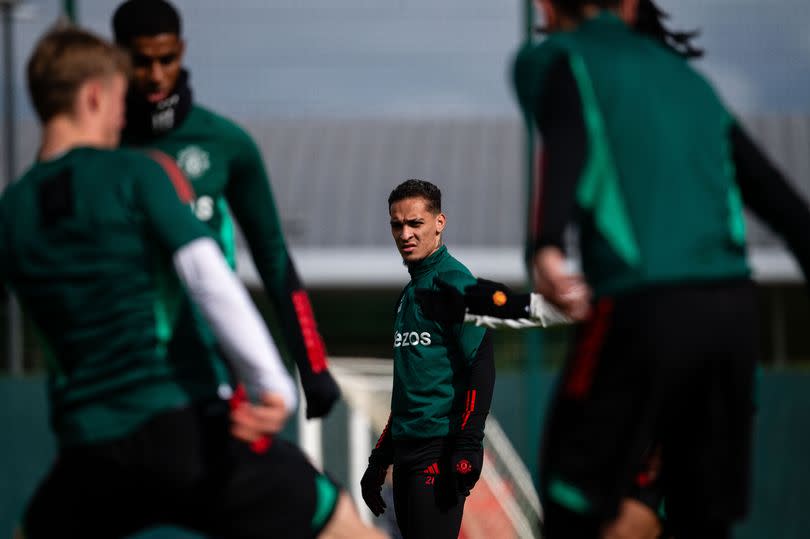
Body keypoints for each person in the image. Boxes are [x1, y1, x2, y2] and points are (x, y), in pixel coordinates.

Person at [5, 26, 384, 539]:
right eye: (120, 99)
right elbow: (207, 272)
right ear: (93, 96)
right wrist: (272, 384)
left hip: (87, 456)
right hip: (182, 432)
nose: (124, 115)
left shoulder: (12, 210)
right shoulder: (134, 172)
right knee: (339, 523)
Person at [509, 0, 810, 537]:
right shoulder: (692, 83)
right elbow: (783, 203)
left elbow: (568, 138)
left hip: (643, 308)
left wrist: (546, 244)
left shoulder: (560, 59)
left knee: (568, 501)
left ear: (547, 7)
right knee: (703, 518)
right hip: (734, 318)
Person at [111, 0, 340, 420]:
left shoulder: (225, 143)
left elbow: (273, 257)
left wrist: (312, 363)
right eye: (142, 62)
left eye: (167, 59)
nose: (157, 75)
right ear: (117, 56)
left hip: (209, 366)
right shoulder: (98, 148)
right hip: (122, 368)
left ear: (182, 49)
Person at [359, 180, 496, 539]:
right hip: (406, 454)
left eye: (415, 223)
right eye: (396, 224)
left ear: (439, 223)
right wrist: (379, 460)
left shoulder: (455, 282)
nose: (405, 233)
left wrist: (468, 444)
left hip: (439, 449)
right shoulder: (409, 293)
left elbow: (481, 367)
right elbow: (410, 390)